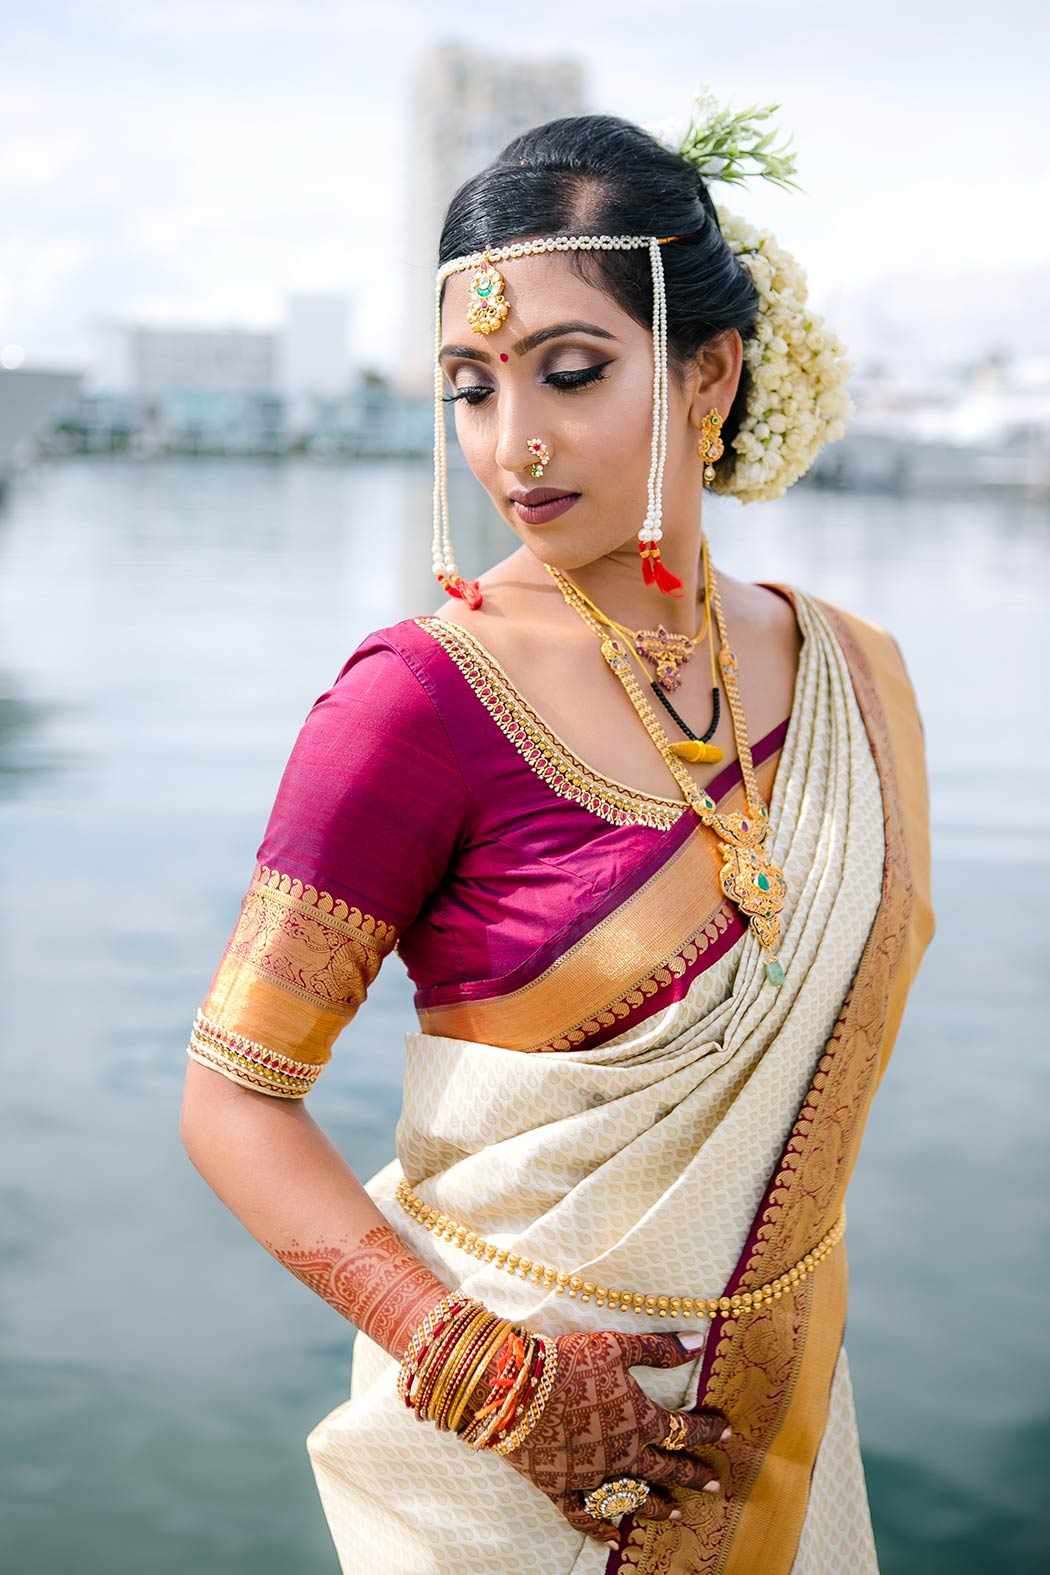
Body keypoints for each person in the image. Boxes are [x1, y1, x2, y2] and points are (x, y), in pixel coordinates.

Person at [179, 90, 935, 1575]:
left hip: (776, 1419)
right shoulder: (412, 704)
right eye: (470, 386)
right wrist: (490, 1378)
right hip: (498, 1466)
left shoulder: (855, 677)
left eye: (568, 371)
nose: (511, 444)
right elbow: (232, 1103)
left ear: (710, 371)